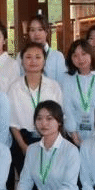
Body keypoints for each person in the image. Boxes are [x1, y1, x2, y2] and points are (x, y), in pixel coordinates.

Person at [8, 42, 61, 179]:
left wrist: (52, 144)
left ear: (44, 61)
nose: (33, 61)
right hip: (23, 140)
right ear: (22, 61)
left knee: (49, 179)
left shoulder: (53, 86)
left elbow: (60, 118)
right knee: (28, 181)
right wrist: (23, 146)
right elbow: (12, 123)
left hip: (50, 139)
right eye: (28, 57)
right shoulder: (14, 87)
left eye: (38, 57)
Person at [60, 39, 95, 146]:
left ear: (91, 54)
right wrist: (73, 132)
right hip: (74, 134)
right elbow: (66, 107)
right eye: (75, 55)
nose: (80, 59)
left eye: (84, 54)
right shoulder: (66, 78)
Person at [15, 15, 65, 80]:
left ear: (46, 32)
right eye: (32, 30)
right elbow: (17, 79)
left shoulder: (57, 56)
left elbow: (61, 82)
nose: (36, 34)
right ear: (28, 33)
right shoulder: (21, 56)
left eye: (40, 29)